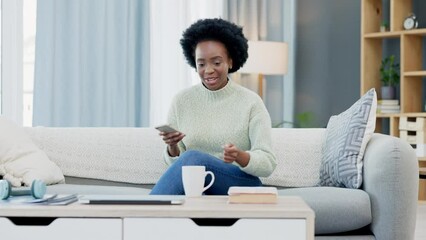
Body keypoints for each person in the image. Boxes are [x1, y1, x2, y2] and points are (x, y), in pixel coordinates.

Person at [150, 18, 276, 195]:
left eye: (216, 63)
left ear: (230, 61)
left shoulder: (251, 102)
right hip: (198, 185)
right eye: (201, 64)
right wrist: (173, 147)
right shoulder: (181, 101)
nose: (208, 70)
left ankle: (142, 215)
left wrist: (240, 156)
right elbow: (177, 168)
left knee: (193, 157)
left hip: (239, 183)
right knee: (191, 159)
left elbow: (268, 163)